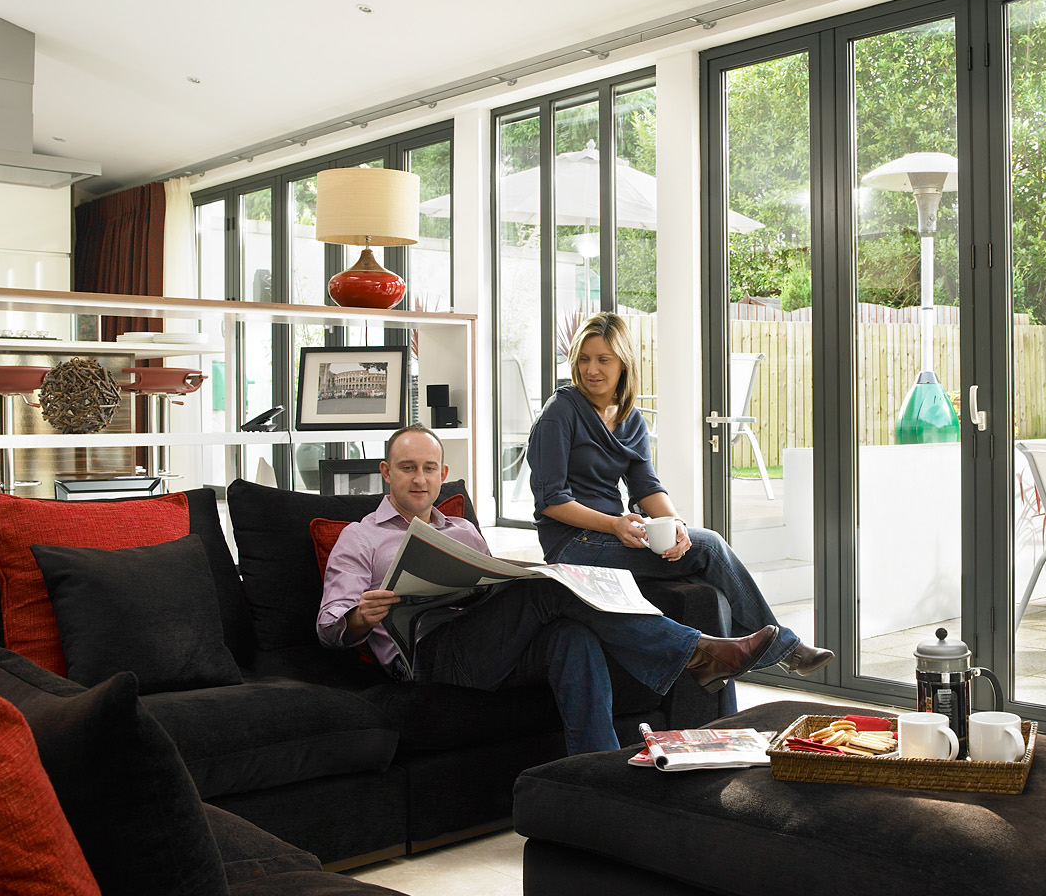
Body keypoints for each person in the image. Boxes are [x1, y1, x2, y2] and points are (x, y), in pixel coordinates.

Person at [316, 423, 778, 755]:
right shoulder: (361, 537)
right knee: (550, 587)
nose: (419, 479)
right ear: (386, 472)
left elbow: (490, 591)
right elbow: (329, 625)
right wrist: (360, 617)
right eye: (407, 468)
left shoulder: (462, 530)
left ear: (442, 472)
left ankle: (597, 777)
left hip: (483, 646)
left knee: (571, 636)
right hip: (428, 659)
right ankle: (697, 652)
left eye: (429, 468)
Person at [526, 312, 834, 678]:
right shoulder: (559, 413)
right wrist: (615, 525)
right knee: (710, 546)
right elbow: (551, 501)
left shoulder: (630, 419)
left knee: (702, 567)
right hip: (572, 544)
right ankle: (785, 650)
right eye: (584, 359)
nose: (592, 369)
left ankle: (734, 658)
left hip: (613, 534)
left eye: (603, 359)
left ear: (623, 363)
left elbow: (646, 487)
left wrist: (675, 524)